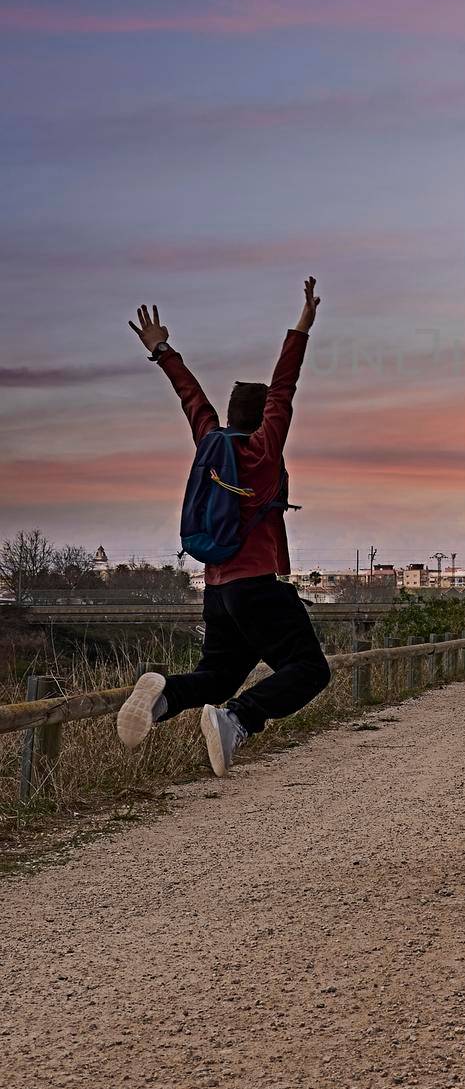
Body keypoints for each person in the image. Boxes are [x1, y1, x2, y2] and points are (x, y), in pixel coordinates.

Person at [116, 279, 331, 775]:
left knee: (215, 675)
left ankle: (165, 694)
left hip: (215, 590)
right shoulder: (262, 451)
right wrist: (304, 324)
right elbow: (284, 386)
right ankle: (239, 718)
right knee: (310, 669)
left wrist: (163, 350)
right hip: (257, 585)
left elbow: (191, 398)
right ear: (263, 420)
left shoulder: (210, 442)